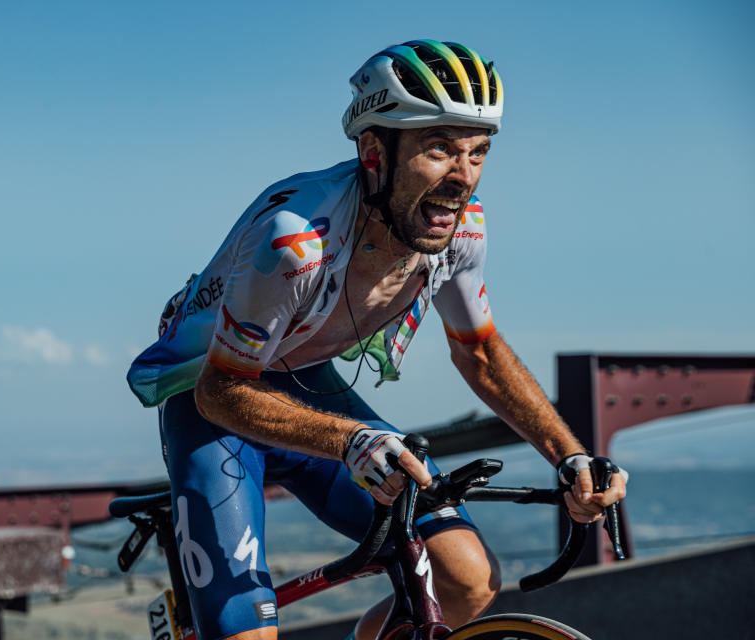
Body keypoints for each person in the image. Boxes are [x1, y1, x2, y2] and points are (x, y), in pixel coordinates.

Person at [127, 39, 628, 640]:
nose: (462, 177)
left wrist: (568, 456)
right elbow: (220, 392)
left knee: (468, 581)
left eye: (478, 152)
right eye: (439, 149)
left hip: (309, 385)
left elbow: (481, 353)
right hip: (217, 403)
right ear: (373, 152)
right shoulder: (294, 243)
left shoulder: (461, 232)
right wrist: (351, 440)